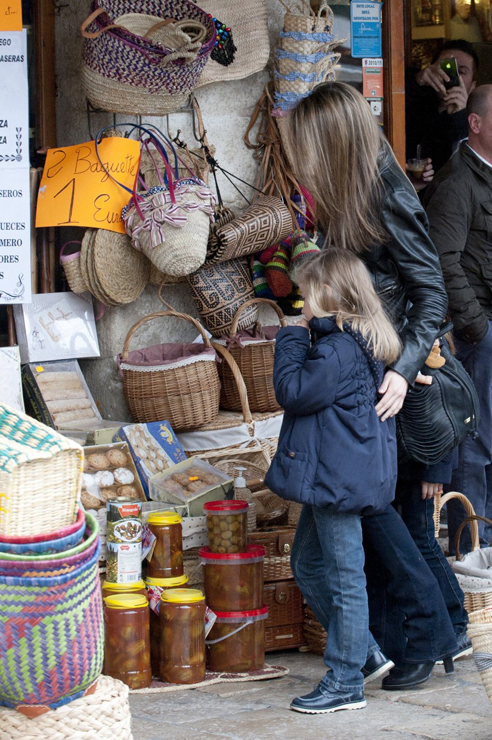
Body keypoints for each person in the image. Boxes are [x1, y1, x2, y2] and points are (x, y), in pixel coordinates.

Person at [278, 81, 459, 692]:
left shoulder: (385, 192)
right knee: (377, 530)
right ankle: (402, 644)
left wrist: (401, 373)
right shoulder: (349, 191)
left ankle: (411, 643)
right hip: (364, 378)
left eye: (307, 147)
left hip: (385, 384)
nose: (300, 161)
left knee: (387, 528)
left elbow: (432, 292)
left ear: (332, 142)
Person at [265, 248, 401, 714]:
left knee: (345, 578)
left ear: (326, 293)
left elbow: (294, 392)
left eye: (305, 292)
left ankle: (346, 680)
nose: (301, 300)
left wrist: (290, 341)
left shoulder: (338, 348)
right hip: (336, 475)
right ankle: (364, 652)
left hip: (337, 480)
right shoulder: (351, 340)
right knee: (307, 563)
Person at [424, 84, 492, 553]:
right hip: (476, 334)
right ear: (476, 123)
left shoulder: (485, 175)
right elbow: (442, 261)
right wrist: (478, 328)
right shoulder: (457, 183)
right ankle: (473, 552)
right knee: (474, 444)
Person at [406, 39, 478, 179]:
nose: (452, 75)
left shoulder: (477, 120)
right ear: (431, 69)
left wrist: (458, 116)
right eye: (446, 67)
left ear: (473, 86)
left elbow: (469, 173)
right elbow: (391, 98)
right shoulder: (413, 100)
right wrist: (417, 80)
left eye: (461, 71)